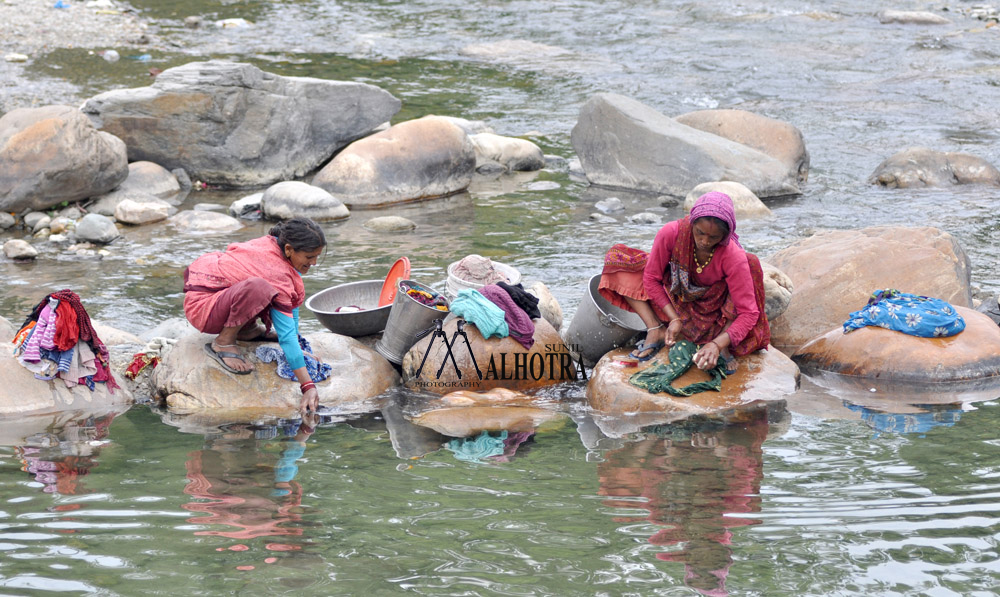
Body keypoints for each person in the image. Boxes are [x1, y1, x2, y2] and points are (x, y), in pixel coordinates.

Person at [598, 191, 770, 372]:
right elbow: (651, 278)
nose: (704, 241)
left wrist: (717, 344)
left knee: (751, 264)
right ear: (692, 223)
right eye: (700, 233)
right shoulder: (672, 233)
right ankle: (655, 328)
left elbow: (749, 313)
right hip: (677, 299)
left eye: (713, 237)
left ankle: (720, 343)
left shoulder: (732, 255)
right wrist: (674, 318)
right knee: (618, 259)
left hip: (713, 313)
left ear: (725, 235)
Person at [183, 217, 326, 411]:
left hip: (223, 297)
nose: (315, 262)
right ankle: (224, 341)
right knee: (259, 287)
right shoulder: (275, 270)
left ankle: (246, 330)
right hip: (204, 308)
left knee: (264, 289)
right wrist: (308, 387)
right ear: (289, 249)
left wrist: (297, 349)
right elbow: (285, 337)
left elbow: (291, 308)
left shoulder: (277, 247)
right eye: (310, 257)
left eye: (317, 256)